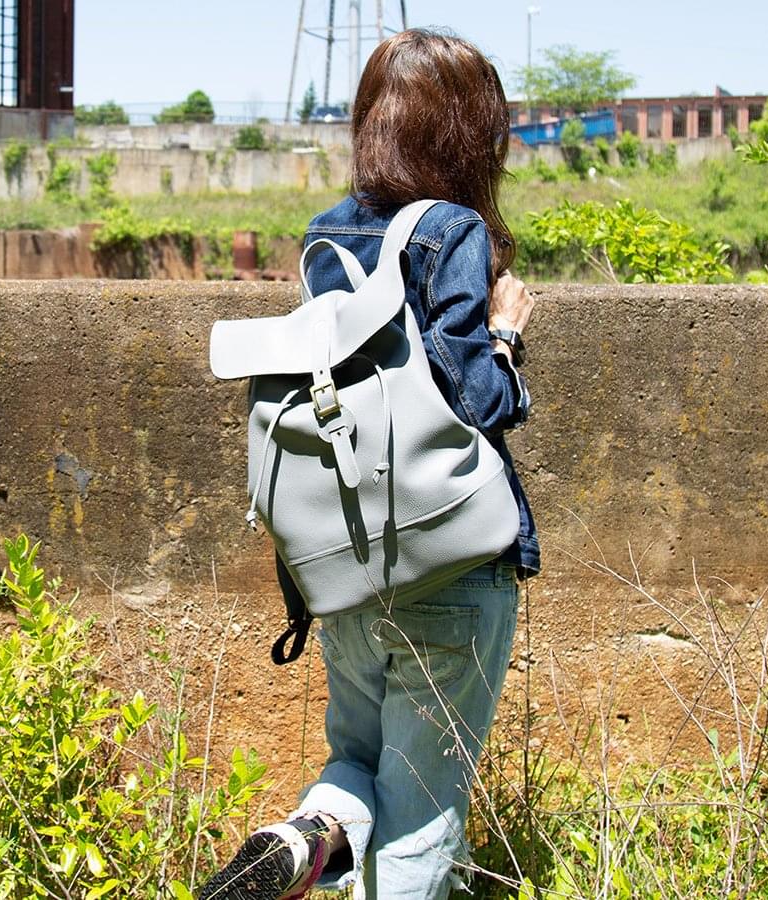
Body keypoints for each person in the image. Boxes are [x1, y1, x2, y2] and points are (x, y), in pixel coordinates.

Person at [198, 28, 539, 900]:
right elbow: (477, 402)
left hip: (350, 570)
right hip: (449, 567)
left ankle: (304, 839)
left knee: (355, 757)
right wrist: (505, 332)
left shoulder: (329, 236)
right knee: (422, 805)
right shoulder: (450, 231)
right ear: (465, 131)